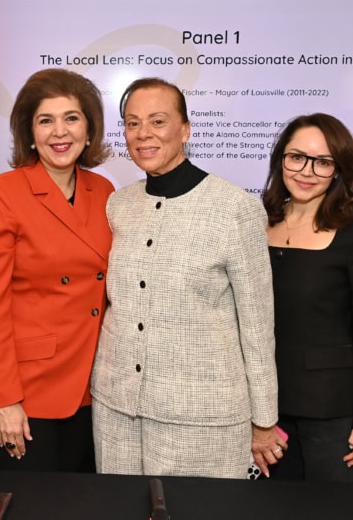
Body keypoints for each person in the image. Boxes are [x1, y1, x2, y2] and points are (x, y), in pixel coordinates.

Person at [91, 77, 283, 479]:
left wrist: (264, 421)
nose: (143, 134)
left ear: (186, 130)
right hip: (117, 409)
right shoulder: (118, 205)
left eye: (158, 121)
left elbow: (257, 323)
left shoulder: (235, 209)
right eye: (132, 123)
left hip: (202, 415)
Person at [0, 68, 113, 471]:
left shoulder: (103, 191)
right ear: (29, 133)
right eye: (45, 120)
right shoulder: (1, 195)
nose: (59, 132)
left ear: (88, 130)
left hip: (91, 384)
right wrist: (5, 400)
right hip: (28, 390)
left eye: (71, 118)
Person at [262, 113, 353, 483]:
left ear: (338, 169)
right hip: (266, 410)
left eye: (323, 162)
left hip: (334, 413)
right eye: (296, 156)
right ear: (281, 160)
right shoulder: (256, 222)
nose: (307, 171)